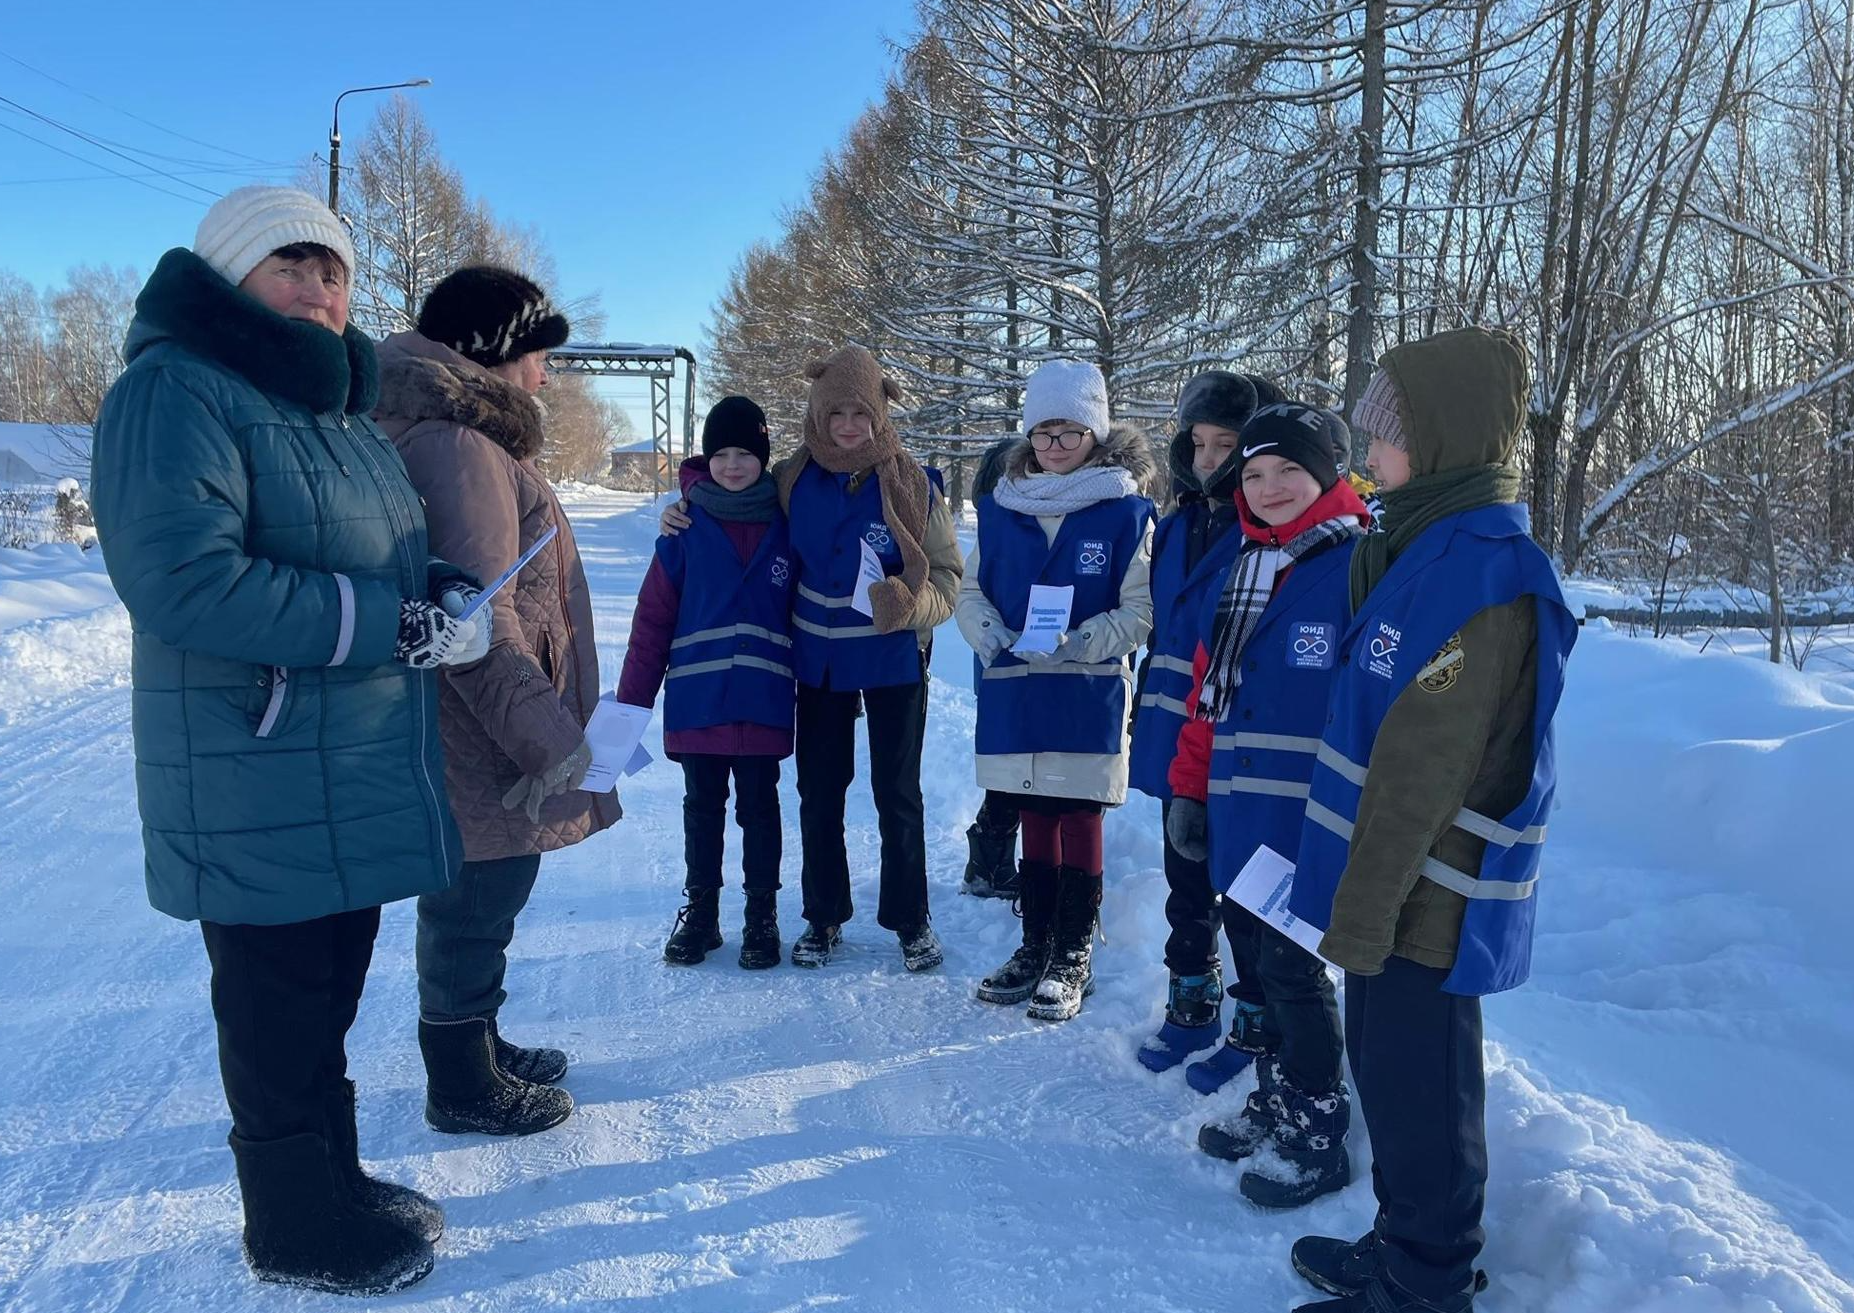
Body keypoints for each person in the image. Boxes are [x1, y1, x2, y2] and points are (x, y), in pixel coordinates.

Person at [91, 186, 479, 1295]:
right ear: (229, 277)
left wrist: (442, 592)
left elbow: (384, 556)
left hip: (342, 760)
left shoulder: (331, 411)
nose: (318, 289)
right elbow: (184, 580)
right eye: (289, 266)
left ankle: (336, 1181)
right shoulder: (175, 390)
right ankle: (292, 1223)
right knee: (273, 1003)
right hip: (253, 765)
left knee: (326, 992)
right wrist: (383, 624)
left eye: (334, 270)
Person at [1284, 328, 1575, 1313]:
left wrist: (1362, 914)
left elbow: (1423, 772)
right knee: (1391, 1077)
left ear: (1444, 440)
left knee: (1423, 1089)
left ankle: (1428, 1281)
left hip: (1427, 898)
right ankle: (1404, 1239)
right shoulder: (1423, 547)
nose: (1369, 458)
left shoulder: (1481, 573)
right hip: (1390, 891)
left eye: (1386, 437)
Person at [373, 266, 618, 1137]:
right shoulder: (460, 446)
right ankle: (461, 1080)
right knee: (480, 892)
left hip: (467, 726)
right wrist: (549, 740)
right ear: (490, 352)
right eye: (538, 356)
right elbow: (481, 616)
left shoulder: (450, 432)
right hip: (481, 733)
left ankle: (478, 1039)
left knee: (480, 893)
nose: (546, 375)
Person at [660, 346, 963, 970]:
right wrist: (684, 501)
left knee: (896, 795)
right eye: (835, 414)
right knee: (820, 794)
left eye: (860, 413)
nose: (848, 426)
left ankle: (911, 919)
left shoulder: (915, 484)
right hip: (818, 665)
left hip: (892, 664)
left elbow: (951, 580)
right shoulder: (792, 481)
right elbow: (729, 488)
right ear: (816, 416)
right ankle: (824, 918)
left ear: (880, 414)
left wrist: (912, 606)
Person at [1166, 401, 1371, 1208]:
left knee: (1293, 970)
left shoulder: (1356, 563)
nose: (1272, 485)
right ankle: (1279, 1095)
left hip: (1308, 818)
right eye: (1254, 473)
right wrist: (1189, 788)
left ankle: (1317, 1131)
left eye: (1290, 469)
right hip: (1239, 809)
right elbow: (1205, 697)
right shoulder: (1248, 563)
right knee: (1256, 964)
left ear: (1329, 475)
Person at [958, 359, 1155, 1021]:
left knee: (1079, 816)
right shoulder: (1001, 509)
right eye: (1043, 431)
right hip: (1015, 688)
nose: (1054, 445)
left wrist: (1078, 640)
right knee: (1033, 816)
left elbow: (1139, 611)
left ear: (1096, 433)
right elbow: (970, 590)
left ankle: (1072, 953)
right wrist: (988, 633)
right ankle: (1033, 944)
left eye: (1069, 430)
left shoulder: (1127, 513)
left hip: (1084, 691)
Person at [1128, 370, 1283, 1077]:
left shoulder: (1269, 536)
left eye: (1227, 443)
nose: (1211, 457)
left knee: (1246, 885)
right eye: (1200, 441)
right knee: (1184, 879)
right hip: (1174, 736)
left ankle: (1260, 1015)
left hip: (1239, 742)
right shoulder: (1177, 523)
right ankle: (1192, 997)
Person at [617, 396, 795, 968]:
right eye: (722, 453)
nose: (734, 465)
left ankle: (761, 914)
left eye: (746, 453)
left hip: (764, 698)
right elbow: (652, 623)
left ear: (764, 458)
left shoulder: (788, 528)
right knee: (702, 808)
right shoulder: (683, 529)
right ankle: (702, 913)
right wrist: (629, 707)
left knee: (761, 810)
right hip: (700, 700)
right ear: (707, 457)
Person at [961, 435, 1030, 900]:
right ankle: (990, 861)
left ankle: (989, 860)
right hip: (1001, 656)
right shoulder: (999, 533)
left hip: (1023, 658)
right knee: (1012, 763)